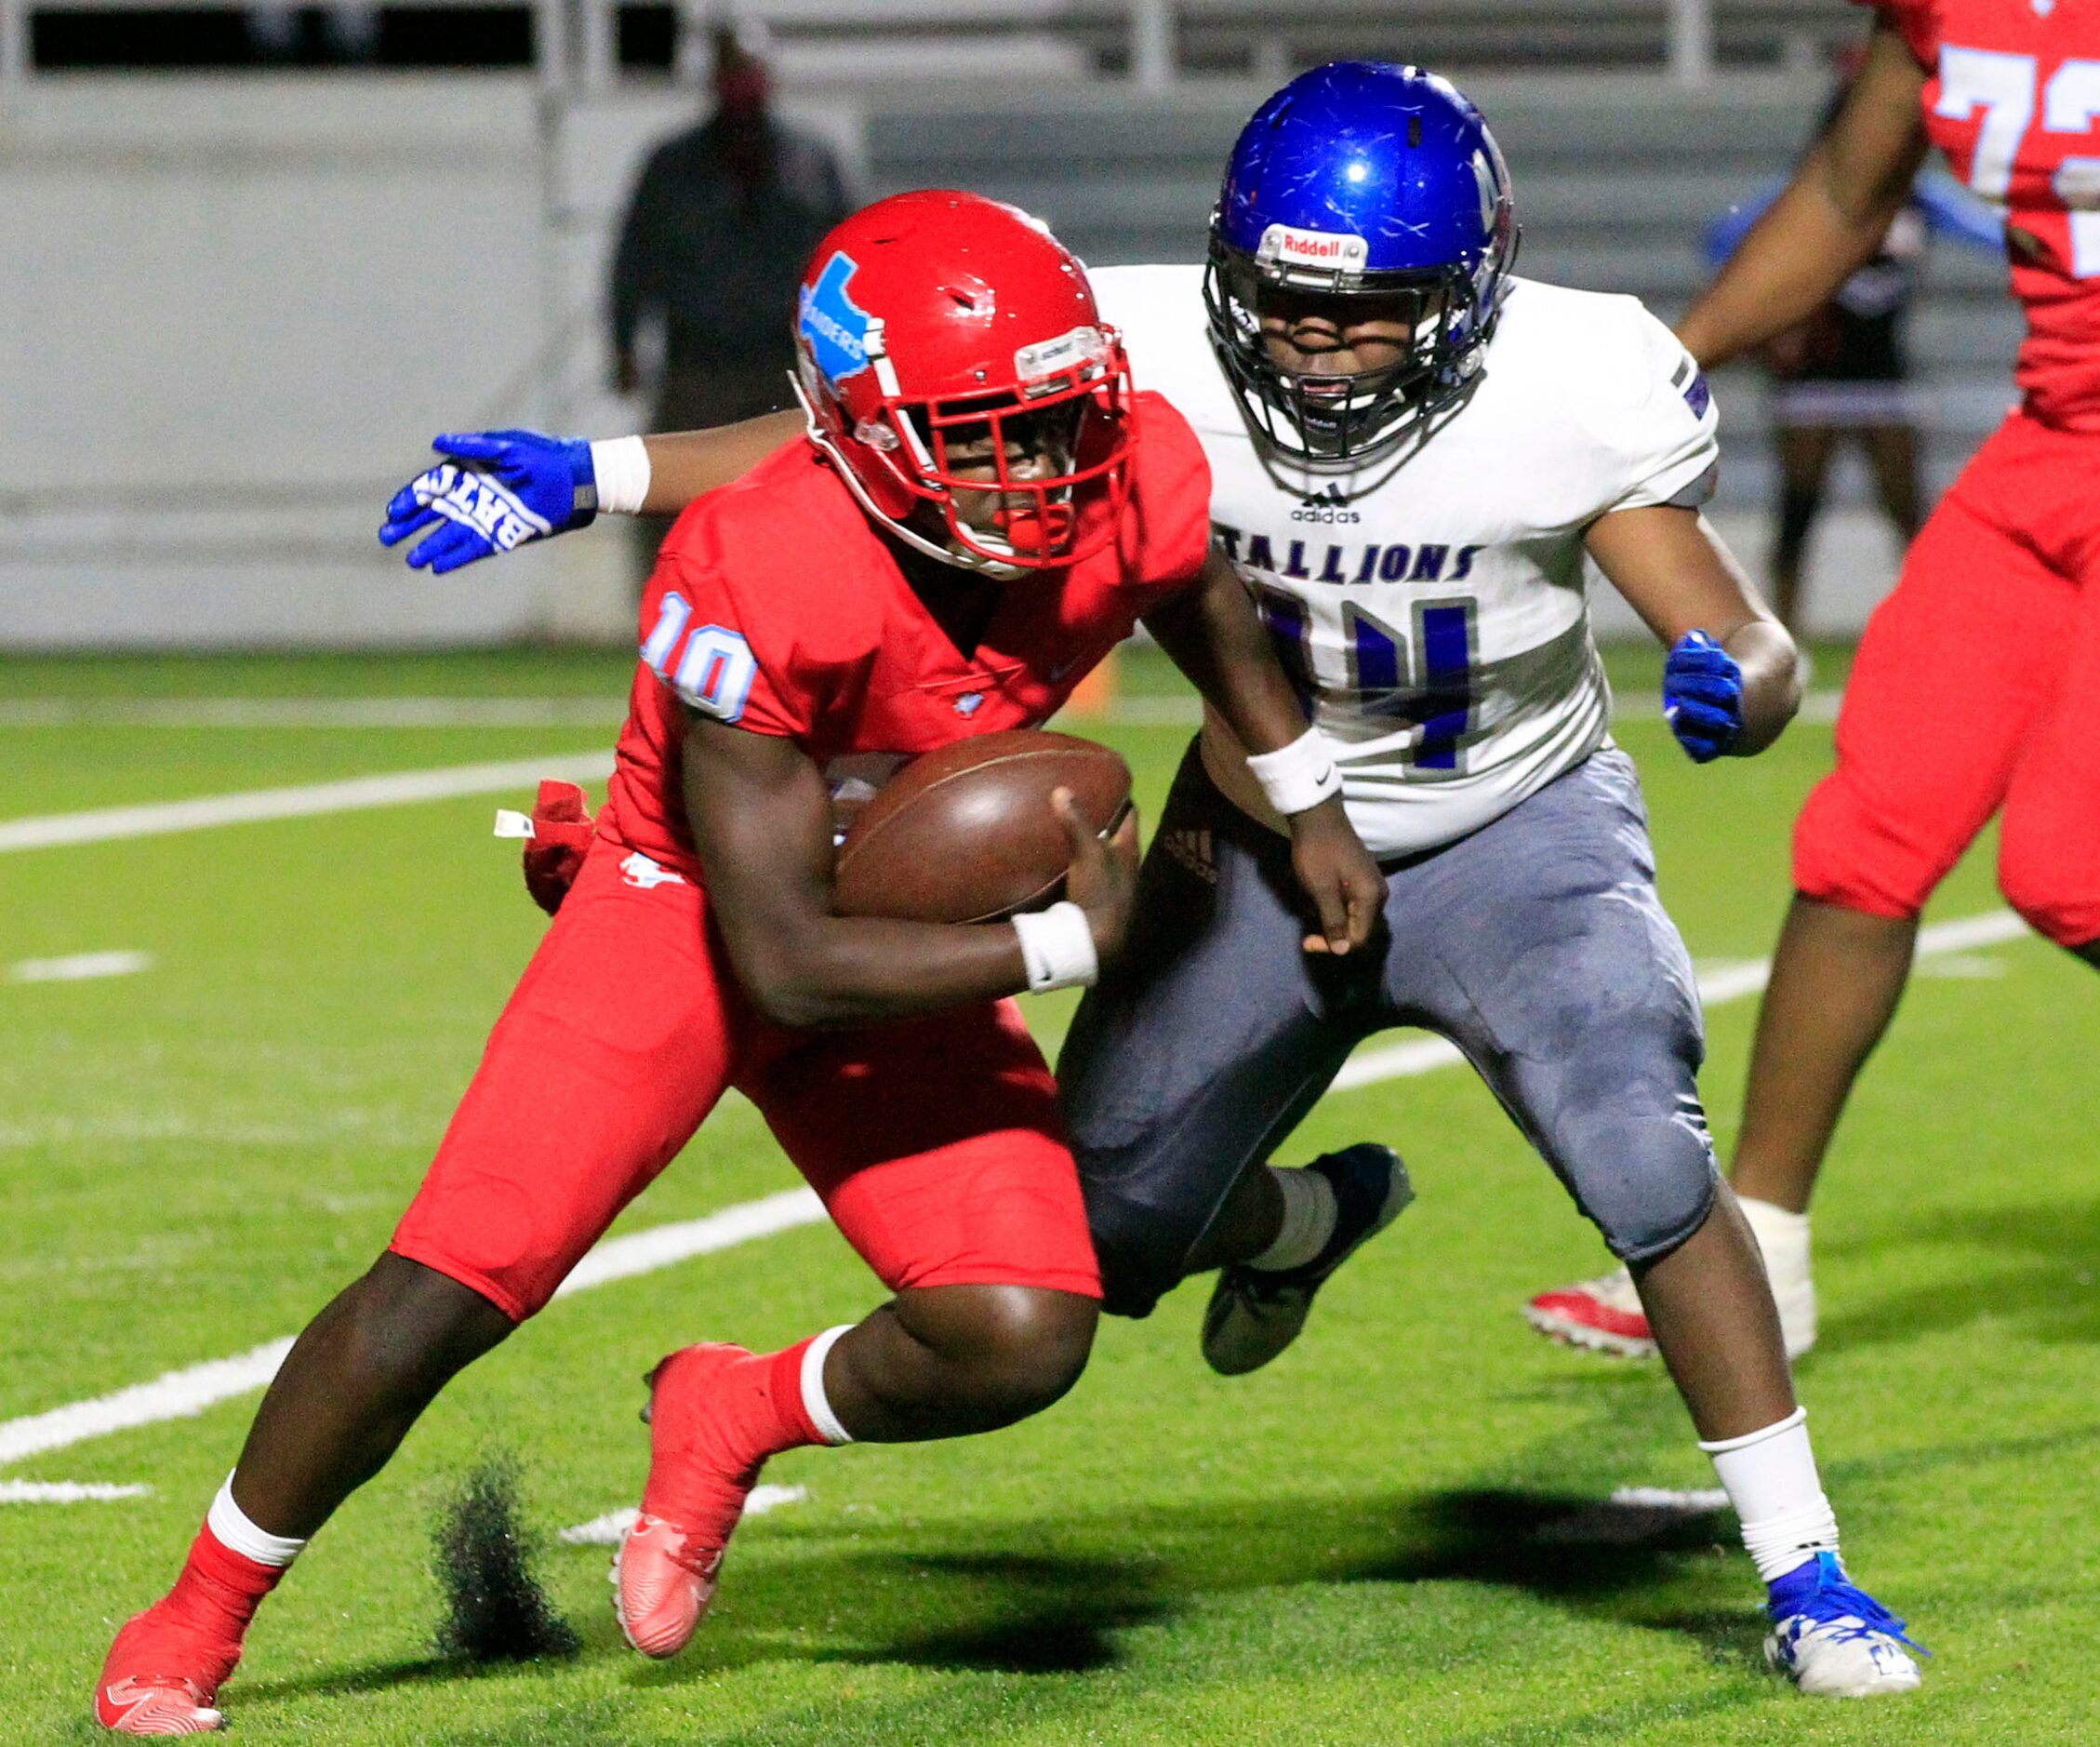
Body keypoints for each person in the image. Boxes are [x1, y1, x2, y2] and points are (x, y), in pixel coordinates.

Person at [378, 63, 1928, 1701]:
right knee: (1094, 1242)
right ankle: (1296, 1217)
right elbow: (855, 435)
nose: (1317, 348)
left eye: (1372, 314)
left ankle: (1802, 1566)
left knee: (1637, 1143)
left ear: (1469, 289)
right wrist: (603, 473)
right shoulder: (1131, 347)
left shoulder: (1578, 373)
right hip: (1258, 827)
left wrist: (1743, 676)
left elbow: (1725, 619)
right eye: (1286, 308)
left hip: (1511, 827)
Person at [93, 190, 1382, 1736]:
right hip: (691, 909)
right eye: (977, 434)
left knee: (1024, 1327)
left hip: (897, 918)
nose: (1030, 472)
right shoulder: (760, 561)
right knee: (448, 1284)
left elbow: (1207, 605)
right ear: (843, 434)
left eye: (1049, 422)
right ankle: (195, 1613)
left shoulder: (1134, 473)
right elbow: (779, 962)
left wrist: (1308, 801)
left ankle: (732, 1405)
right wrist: (1061, 939)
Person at [1527, 3, 2100, 1365]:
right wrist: (1662, 371)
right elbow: (1847, 188)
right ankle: (1758, 1252)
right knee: (1865, 836)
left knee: (2068, 868)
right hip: (2049, 452)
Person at [1706, 59, 2000, 632]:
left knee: (1908, 510)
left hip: (1885, 372)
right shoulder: (1804, 195)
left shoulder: (1921, 197)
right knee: (1798, 509)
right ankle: (1782, 632)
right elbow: (1724, 240)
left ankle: (1928, 628)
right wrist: (1767, 324)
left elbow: (1992, 234)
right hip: (1813, 377)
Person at [609, 27, 850, 582]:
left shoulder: (810, 162)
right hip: (699, 366)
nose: (742, 86)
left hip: (783, 368)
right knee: (668, 490)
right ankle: (667, 603)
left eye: (750, 73)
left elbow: (845, 267)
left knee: (803, 496)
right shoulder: (671, 166)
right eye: (732, 73)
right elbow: (633, 262)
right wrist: (623, 346)